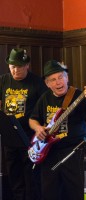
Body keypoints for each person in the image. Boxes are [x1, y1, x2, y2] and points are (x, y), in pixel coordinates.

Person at [29, 60, 86, 200]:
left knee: (77, 193)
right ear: (47, 84)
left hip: (74, 152)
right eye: (53, 80)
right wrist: (38, 128)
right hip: (49, 153)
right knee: (50, 193)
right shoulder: (45, 98)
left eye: (61, 77)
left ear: (67, 78)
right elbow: (33, 119)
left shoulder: (78, 96)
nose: (58, 82)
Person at [0, 48, 47, 200]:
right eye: (13, 66)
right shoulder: (3, 81)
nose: (16, 70)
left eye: (19, 66)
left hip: (30, 137)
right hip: (9, 137)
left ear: (27, 65)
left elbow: (44, 108)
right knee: (14, 175)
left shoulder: (37, 82)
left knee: (31, 176)